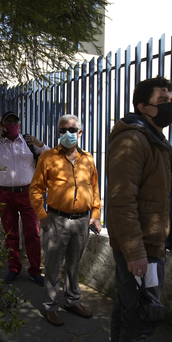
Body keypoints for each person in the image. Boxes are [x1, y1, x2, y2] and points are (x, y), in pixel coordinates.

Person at [106, 76, 172, 342]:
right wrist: (136, 253)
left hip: (148, 245)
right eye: (163, 99)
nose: (170, 103)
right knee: (140, 316)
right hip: (143, 251)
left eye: (170, 98)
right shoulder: (134, 139)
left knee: (127, 310)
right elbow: (121, 201)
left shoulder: (153, 138)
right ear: (143, 107)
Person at [29, 114, 102, 327]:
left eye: (72, 130)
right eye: (63, 130)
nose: (67, 134)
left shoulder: (88, 158)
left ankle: (72, 301)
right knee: (52, 265)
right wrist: (42, 217)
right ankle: (50, 306)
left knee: (74, 264)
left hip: (82, 221)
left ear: (79, 133)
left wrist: (95, 215)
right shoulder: (48, 157)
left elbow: (94, 188)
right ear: (58, 133)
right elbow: (35, 190)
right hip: (56, 220)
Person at [0, 111, 49, 285]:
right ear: (2, 125)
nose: (11, 124)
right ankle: (13, 268)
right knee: (10, 233)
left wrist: (41, 144)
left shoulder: (29, 142)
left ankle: (34, 270)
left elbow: (51, 157)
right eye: (7, 121)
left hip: (28, 193)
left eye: (14, 121)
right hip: (5, 194)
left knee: (32, 232)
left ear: (19, 123)